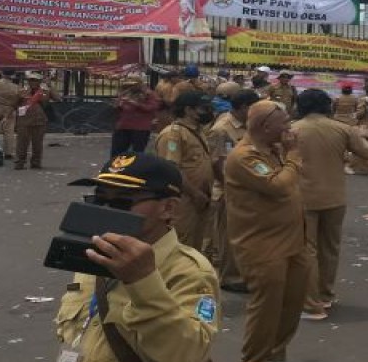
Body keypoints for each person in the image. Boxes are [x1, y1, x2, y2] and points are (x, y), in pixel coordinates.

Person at [54, 153, 220, 362]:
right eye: (99, 199)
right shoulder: (97, 250)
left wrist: (143, 281)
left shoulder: (189, 271)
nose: (106, 211)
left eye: (122, 202)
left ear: (168, 208)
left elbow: (186, 358)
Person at [224, 100, 308, 362]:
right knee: (267, 306)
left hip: (292, 240)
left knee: (291, 302)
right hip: (261, 244)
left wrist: (288, 155)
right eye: (284, 122)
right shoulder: (244, 156)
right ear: (265, 126)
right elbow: (278, 186)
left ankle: (274, 354)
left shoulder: (273, 150)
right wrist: (294, 156)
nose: (289, 127)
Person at [291, 89, 368, 320]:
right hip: (335, 196)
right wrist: (346, 152)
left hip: (303, 196)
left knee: (307, 250)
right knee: (330, 249)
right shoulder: (342, 129)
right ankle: (326, 295)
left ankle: (311, 303)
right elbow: (366, 152)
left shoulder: (292, 129)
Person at [208, 88, 261, 293]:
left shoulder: (249, 125)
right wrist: (233, 188)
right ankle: (230, 277)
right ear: (244, 107)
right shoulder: (222, 128)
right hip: (228, 191)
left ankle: (244, 273)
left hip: (248, 189)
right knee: (229, 238)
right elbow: (217, 163)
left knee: (246, 236)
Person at [150, 90, 215, 249]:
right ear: (188, 110)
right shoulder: (173, 134)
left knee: (196, 242)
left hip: (199, 200)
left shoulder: (198, 131)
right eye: (202, 108)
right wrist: (195, 194)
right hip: (183, 200)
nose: (208, 112)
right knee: (180, 242)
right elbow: (172, 169)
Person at [15, 71, 59, 169]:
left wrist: (50, 86)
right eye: (31, 80)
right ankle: (19, 162)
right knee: (21, 143)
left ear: (40, 81)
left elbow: (57, 98)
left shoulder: (45, 91)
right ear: (28, 81)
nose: (33, 82)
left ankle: (36, 162)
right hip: (24, 121)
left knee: (37, 144)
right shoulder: (22, 91)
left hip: (39, 121)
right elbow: (15, 104)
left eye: (35, 80)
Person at [111, 75, 161, 157]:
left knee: (137, 153)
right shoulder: (125, 92)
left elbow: (151, 108)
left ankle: (134, 168)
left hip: (140, 128)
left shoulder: (149, 94)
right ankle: (115, 168)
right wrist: (118, 104)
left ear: (139, 84)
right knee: (117, 152)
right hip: (123, 126)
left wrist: (135, 103)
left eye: (133, 84)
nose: (130, 87)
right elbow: (119, 109)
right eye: (129, 84)